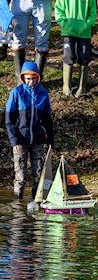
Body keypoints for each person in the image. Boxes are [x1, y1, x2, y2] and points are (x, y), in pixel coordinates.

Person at [5, 61, 53, 199]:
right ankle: (18, 204)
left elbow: (48, 120)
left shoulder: (43, 93)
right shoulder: (16, 93)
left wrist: (50, 141)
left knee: (38, 175)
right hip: (20, 141)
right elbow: (9, 120)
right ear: (23, 78)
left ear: (38, 77)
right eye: (28, 78)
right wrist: (14, 141)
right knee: (20, 176)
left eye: (33, 78)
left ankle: (36, 202)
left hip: (38, 141)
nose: (31, 81)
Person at [54, 0, 96, 97]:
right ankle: (67, 87)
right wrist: (66, 24)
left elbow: (93, 12)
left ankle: (82, 87)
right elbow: (59, 11)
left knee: (84, 57)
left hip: (84, 32)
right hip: (68, 32)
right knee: (69, 56)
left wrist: (86, 24)